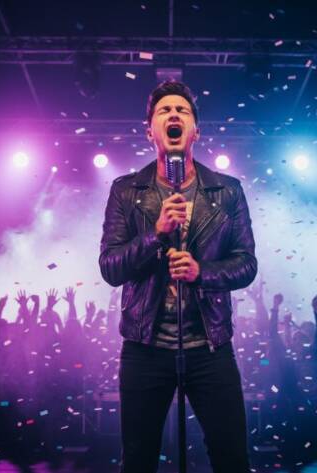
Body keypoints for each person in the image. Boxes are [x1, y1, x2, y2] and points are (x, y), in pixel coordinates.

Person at [99, 79, 258, 472]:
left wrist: (202, 272)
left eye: (182, 111)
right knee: (138, 460)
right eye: (164, 111)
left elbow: (246, 264)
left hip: (210, 346)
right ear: (150, 129)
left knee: (231, 457)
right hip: (145, 347)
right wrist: (156, 233)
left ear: (195, 131)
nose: (174, 114)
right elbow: (111, 267)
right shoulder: (126, 191)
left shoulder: (227, 190)